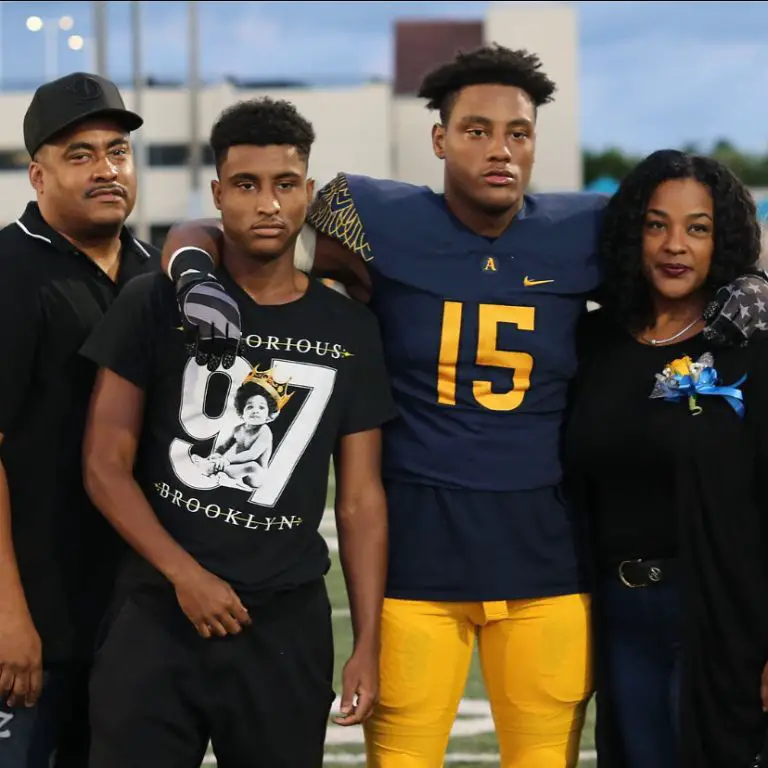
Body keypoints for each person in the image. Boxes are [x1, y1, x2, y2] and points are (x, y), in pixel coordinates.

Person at [158, 47, 768, 768]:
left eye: (519, 132)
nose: (501, 150)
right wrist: (191, 264)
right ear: (440, 138)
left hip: (546, 560)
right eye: (477, 130)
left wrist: (753, 280)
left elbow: (690, 243)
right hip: (418, 560)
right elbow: (229, 222)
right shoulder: (367, 214)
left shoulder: (591, 228)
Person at [80, 97, 395, 768]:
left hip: (283, 623)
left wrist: (367, 641)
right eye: (246, 185)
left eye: (285, 185)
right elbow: (104, 463)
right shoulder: (156, 300)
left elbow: (361, 498)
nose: (267, 204)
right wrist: (184, 575)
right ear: (218, 194)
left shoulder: (350, 328)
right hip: (157, 616)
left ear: (307, 193)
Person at [564, 150, 768, 768]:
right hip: (618, 615)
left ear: (723, 240)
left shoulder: (749, 344)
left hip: (723, 611)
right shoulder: (591, 342)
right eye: (657, 224)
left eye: (698, 228)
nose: (675, 245)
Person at [0, 72, 155, 768]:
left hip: (130, 628)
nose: (106, 170)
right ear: (38, 174)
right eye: (80, 154)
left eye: (117, 152)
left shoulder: (157, 278)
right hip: (32, 625)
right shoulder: (9, 270)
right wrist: (7, 616)